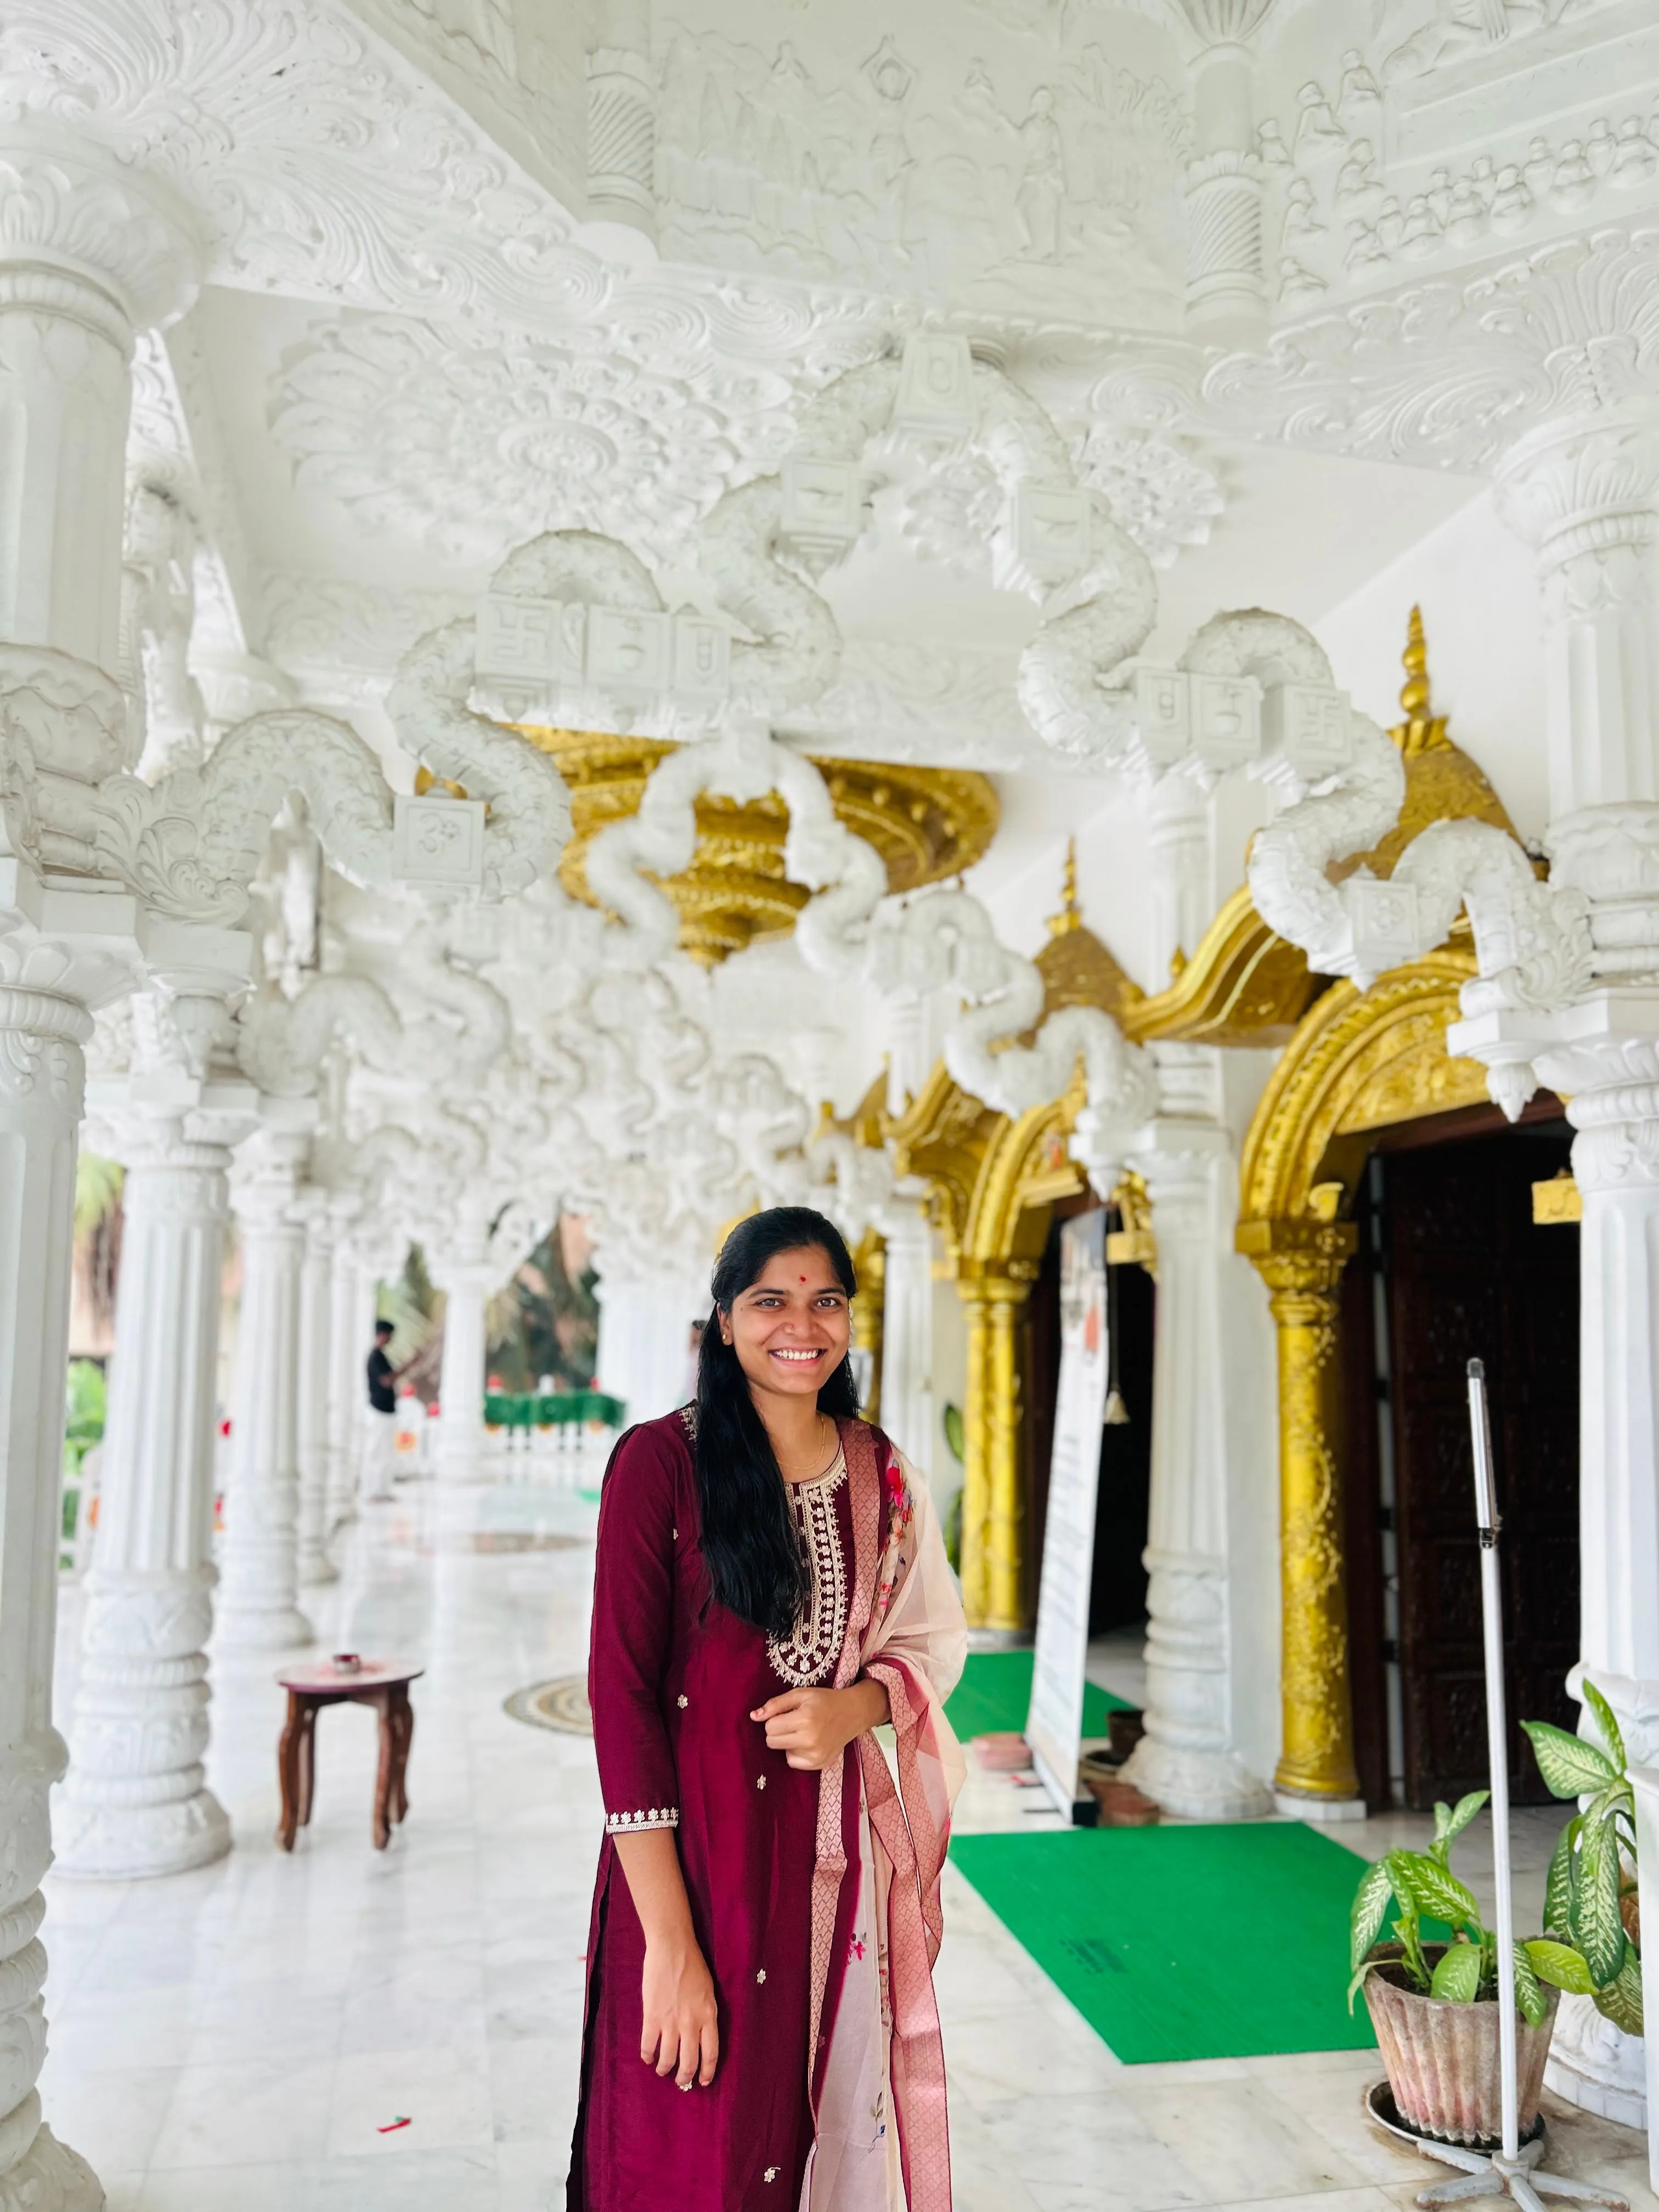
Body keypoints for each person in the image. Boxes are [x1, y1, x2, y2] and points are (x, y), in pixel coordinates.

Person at [569, 1206, 967, 2212]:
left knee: (809, 2129)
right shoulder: (659, 1463)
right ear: (723, 1317)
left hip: (829, 1857)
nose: (802, 1324)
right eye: (770, 1300)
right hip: (693, 1864)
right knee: (684, 2136)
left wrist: (858, 1707)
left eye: (824, 1299)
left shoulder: (879, 1472)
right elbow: (620, 1699)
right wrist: (668, 1942)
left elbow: (930, 1644)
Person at [363, 1319, 399, 1502]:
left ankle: (382, 1490)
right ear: (383, 1334)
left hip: (386, 1410)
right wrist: (410, 1365)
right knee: (377, 1451)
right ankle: (372, 1491)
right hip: (379, 1410)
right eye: (390, 1335)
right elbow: (386, 1380)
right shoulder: (375, 1357)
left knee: (385, 1451)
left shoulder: (381, 1356)